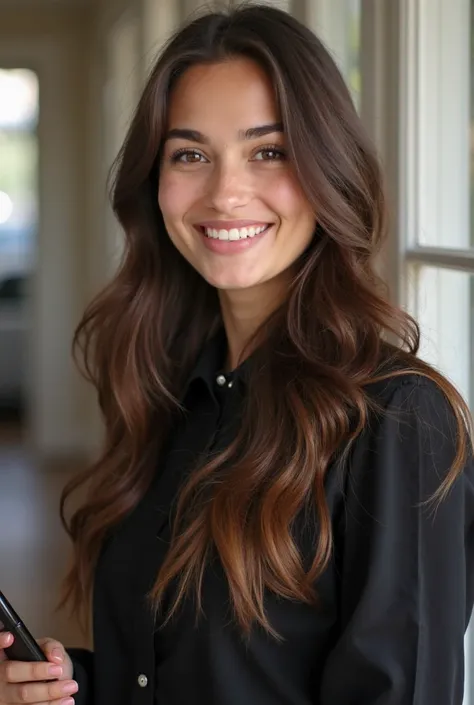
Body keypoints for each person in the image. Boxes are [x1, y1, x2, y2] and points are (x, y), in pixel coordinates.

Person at [1, 4, 474, 704]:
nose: (225, 193)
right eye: (189, 154)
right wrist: (65, 684)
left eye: (269, 151)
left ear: (326, 167)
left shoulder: (398, 420)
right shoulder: (168, 394)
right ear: (153, 182)